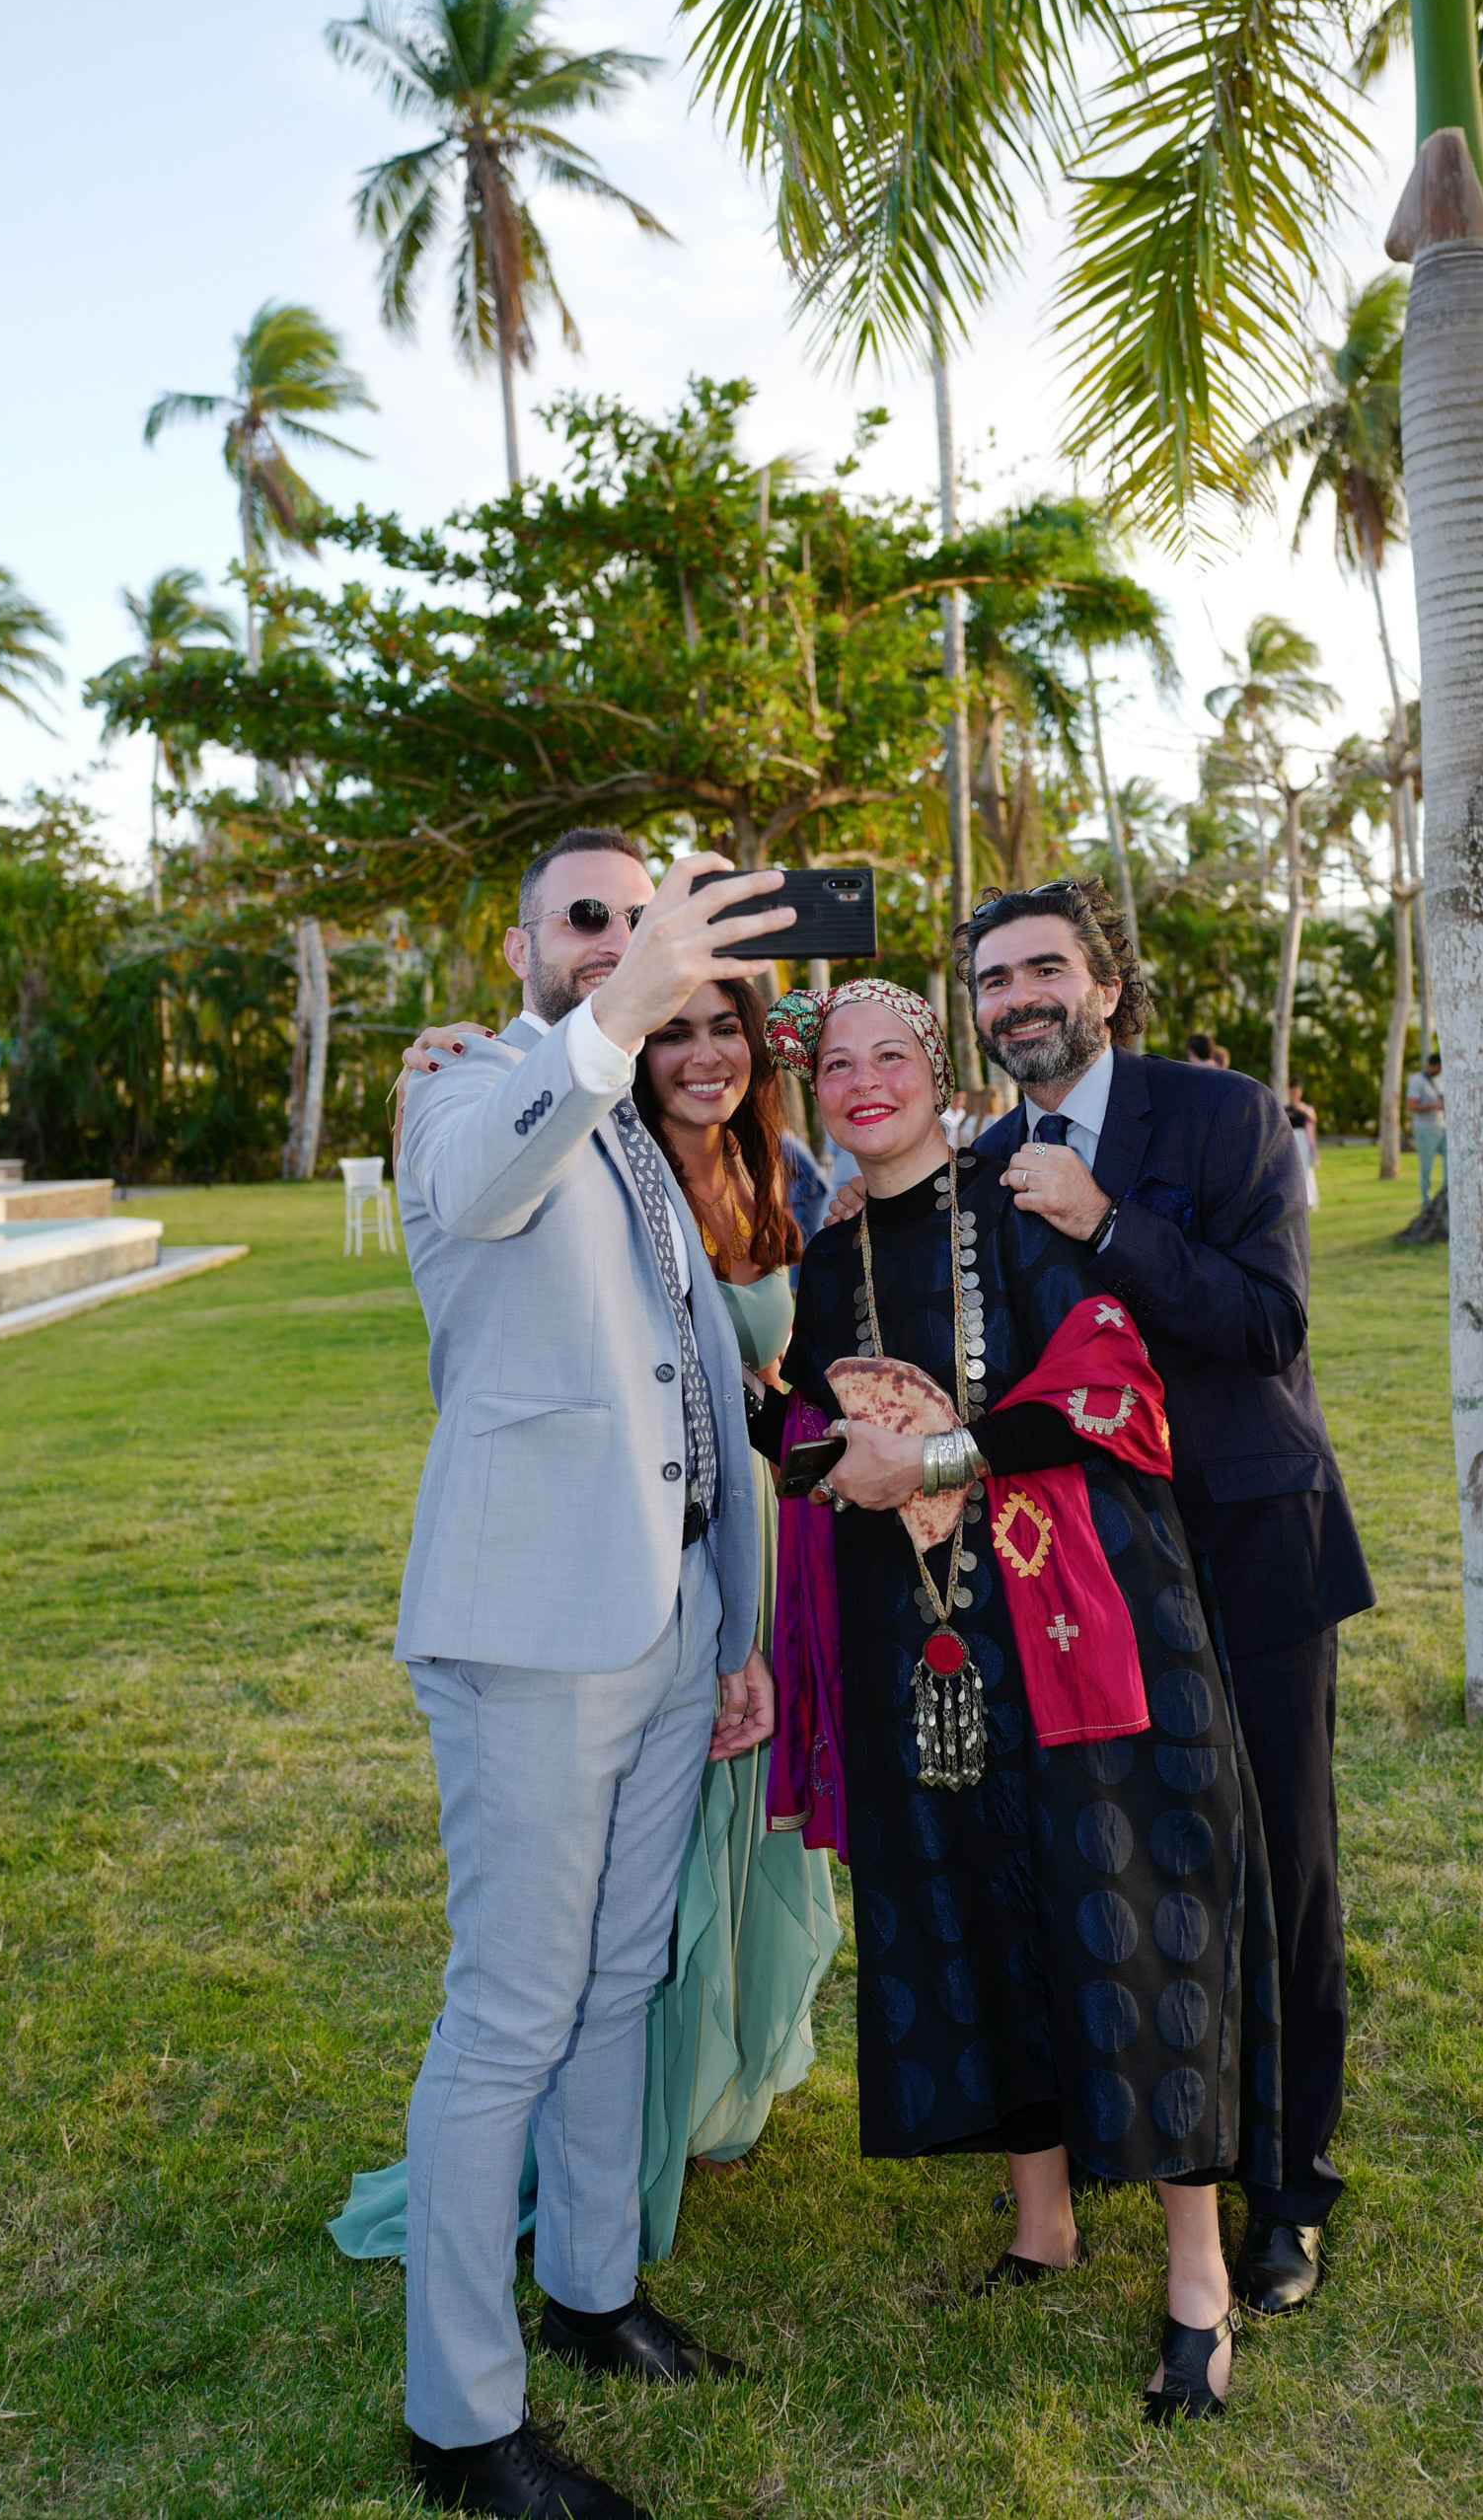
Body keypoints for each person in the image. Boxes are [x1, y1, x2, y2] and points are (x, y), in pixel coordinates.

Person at [759, 978, 1279, 2424]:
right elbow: (804, 1427)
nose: (865, 1084)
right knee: (975, 1905)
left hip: (1081, 1610)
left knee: (1128, 1899)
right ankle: (1040, 2223)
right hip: (918, 1633)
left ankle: (1195, 2279)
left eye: (892, 1057)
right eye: (839, 1064)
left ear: (938, 1069)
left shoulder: (1026, 1200)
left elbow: (1109, 1389)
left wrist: (928, 1465)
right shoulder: (827, 1255)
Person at [387, 826, 792, 2520]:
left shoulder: (633, 1134)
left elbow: (695, 1383)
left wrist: (737, 1626)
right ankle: (458, 2419)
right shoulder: (471, 1095)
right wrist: (624, 1007)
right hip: (533, 1635)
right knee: (511, 2013)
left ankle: (594, 2290)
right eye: (588, 922)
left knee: (622, 1981)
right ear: (523, 944)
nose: (620, 941)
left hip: (669, 1626)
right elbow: (489, 1182)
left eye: (645, 920)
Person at [957, 878, 1372, 2319]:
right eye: (994, 978)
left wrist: (1108, 1218)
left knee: (1279, 1868)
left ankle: (1288, 2191)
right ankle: (1156, 2128)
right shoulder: (981, 1159)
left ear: (1106, 986)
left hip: (1249, 1542)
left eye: (1044, 970)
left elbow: (1268, 1323)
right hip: (1082, 1576)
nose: (1019, 997)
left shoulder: (1222, 1116)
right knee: (1144, 1860)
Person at [628, 976, 842, 2227]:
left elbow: (776, 1384)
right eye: (674, 1030)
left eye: (726, 1029)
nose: (703, 1055)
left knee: (751, 1802)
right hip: (673, 1534)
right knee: (681, 1809)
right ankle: (666, 2085)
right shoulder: (624, 1175)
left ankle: (724, 2087)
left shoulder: (769, 1172)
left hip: (770, 1529)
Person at [1407, 1051, 1446, 1208]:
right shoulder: (1417, 1081)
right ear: (1434, 1065)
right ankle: (1426, 1201)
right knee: (1426, 1166)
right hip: (1425, 1129)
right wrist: (1433, 1106)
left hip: (1443, 1127)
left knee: (1450, 1162)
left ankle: (1445, 1197)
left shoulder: (1442, 1078)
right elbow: (1411, 1105)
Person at [1285, 1077, 1320, 1212]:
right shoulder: (1285, 1107)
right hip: (1291, 1139)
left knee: (1306, 1169)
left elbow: (1313, 1118)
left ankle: (1312, 1200)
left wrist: (1301, 1108)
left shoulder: (1306, 1107)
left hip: (1303, 1139)